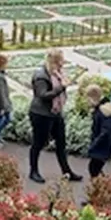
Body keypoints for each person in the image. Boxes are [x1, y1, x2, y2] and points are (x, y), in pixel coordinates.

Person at [28, 49, 81, 184]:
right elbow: (43, 95)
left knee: (61, 143)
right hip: (41, 114)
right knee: (38, 143)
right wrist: (62, 88)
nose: (63, 64)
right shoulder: (41, 76)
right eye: (61, 61)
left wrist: (63, 84)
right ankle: (33, 171)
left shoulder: (56, 73)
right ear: (55, 62)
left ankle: (67, 171)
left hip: (55, 112)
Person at [85, 84, 111, 178]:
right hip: (102, 144)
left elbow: (105, 131)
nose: (87, 102)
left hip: (101, 145)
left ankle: (98, 187)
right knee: (96, 167)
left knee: (93, 168)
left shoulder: (103, 112)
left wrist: (94, 143)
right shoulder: (103, 108)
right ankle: (100, 185)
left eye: (88, 99)